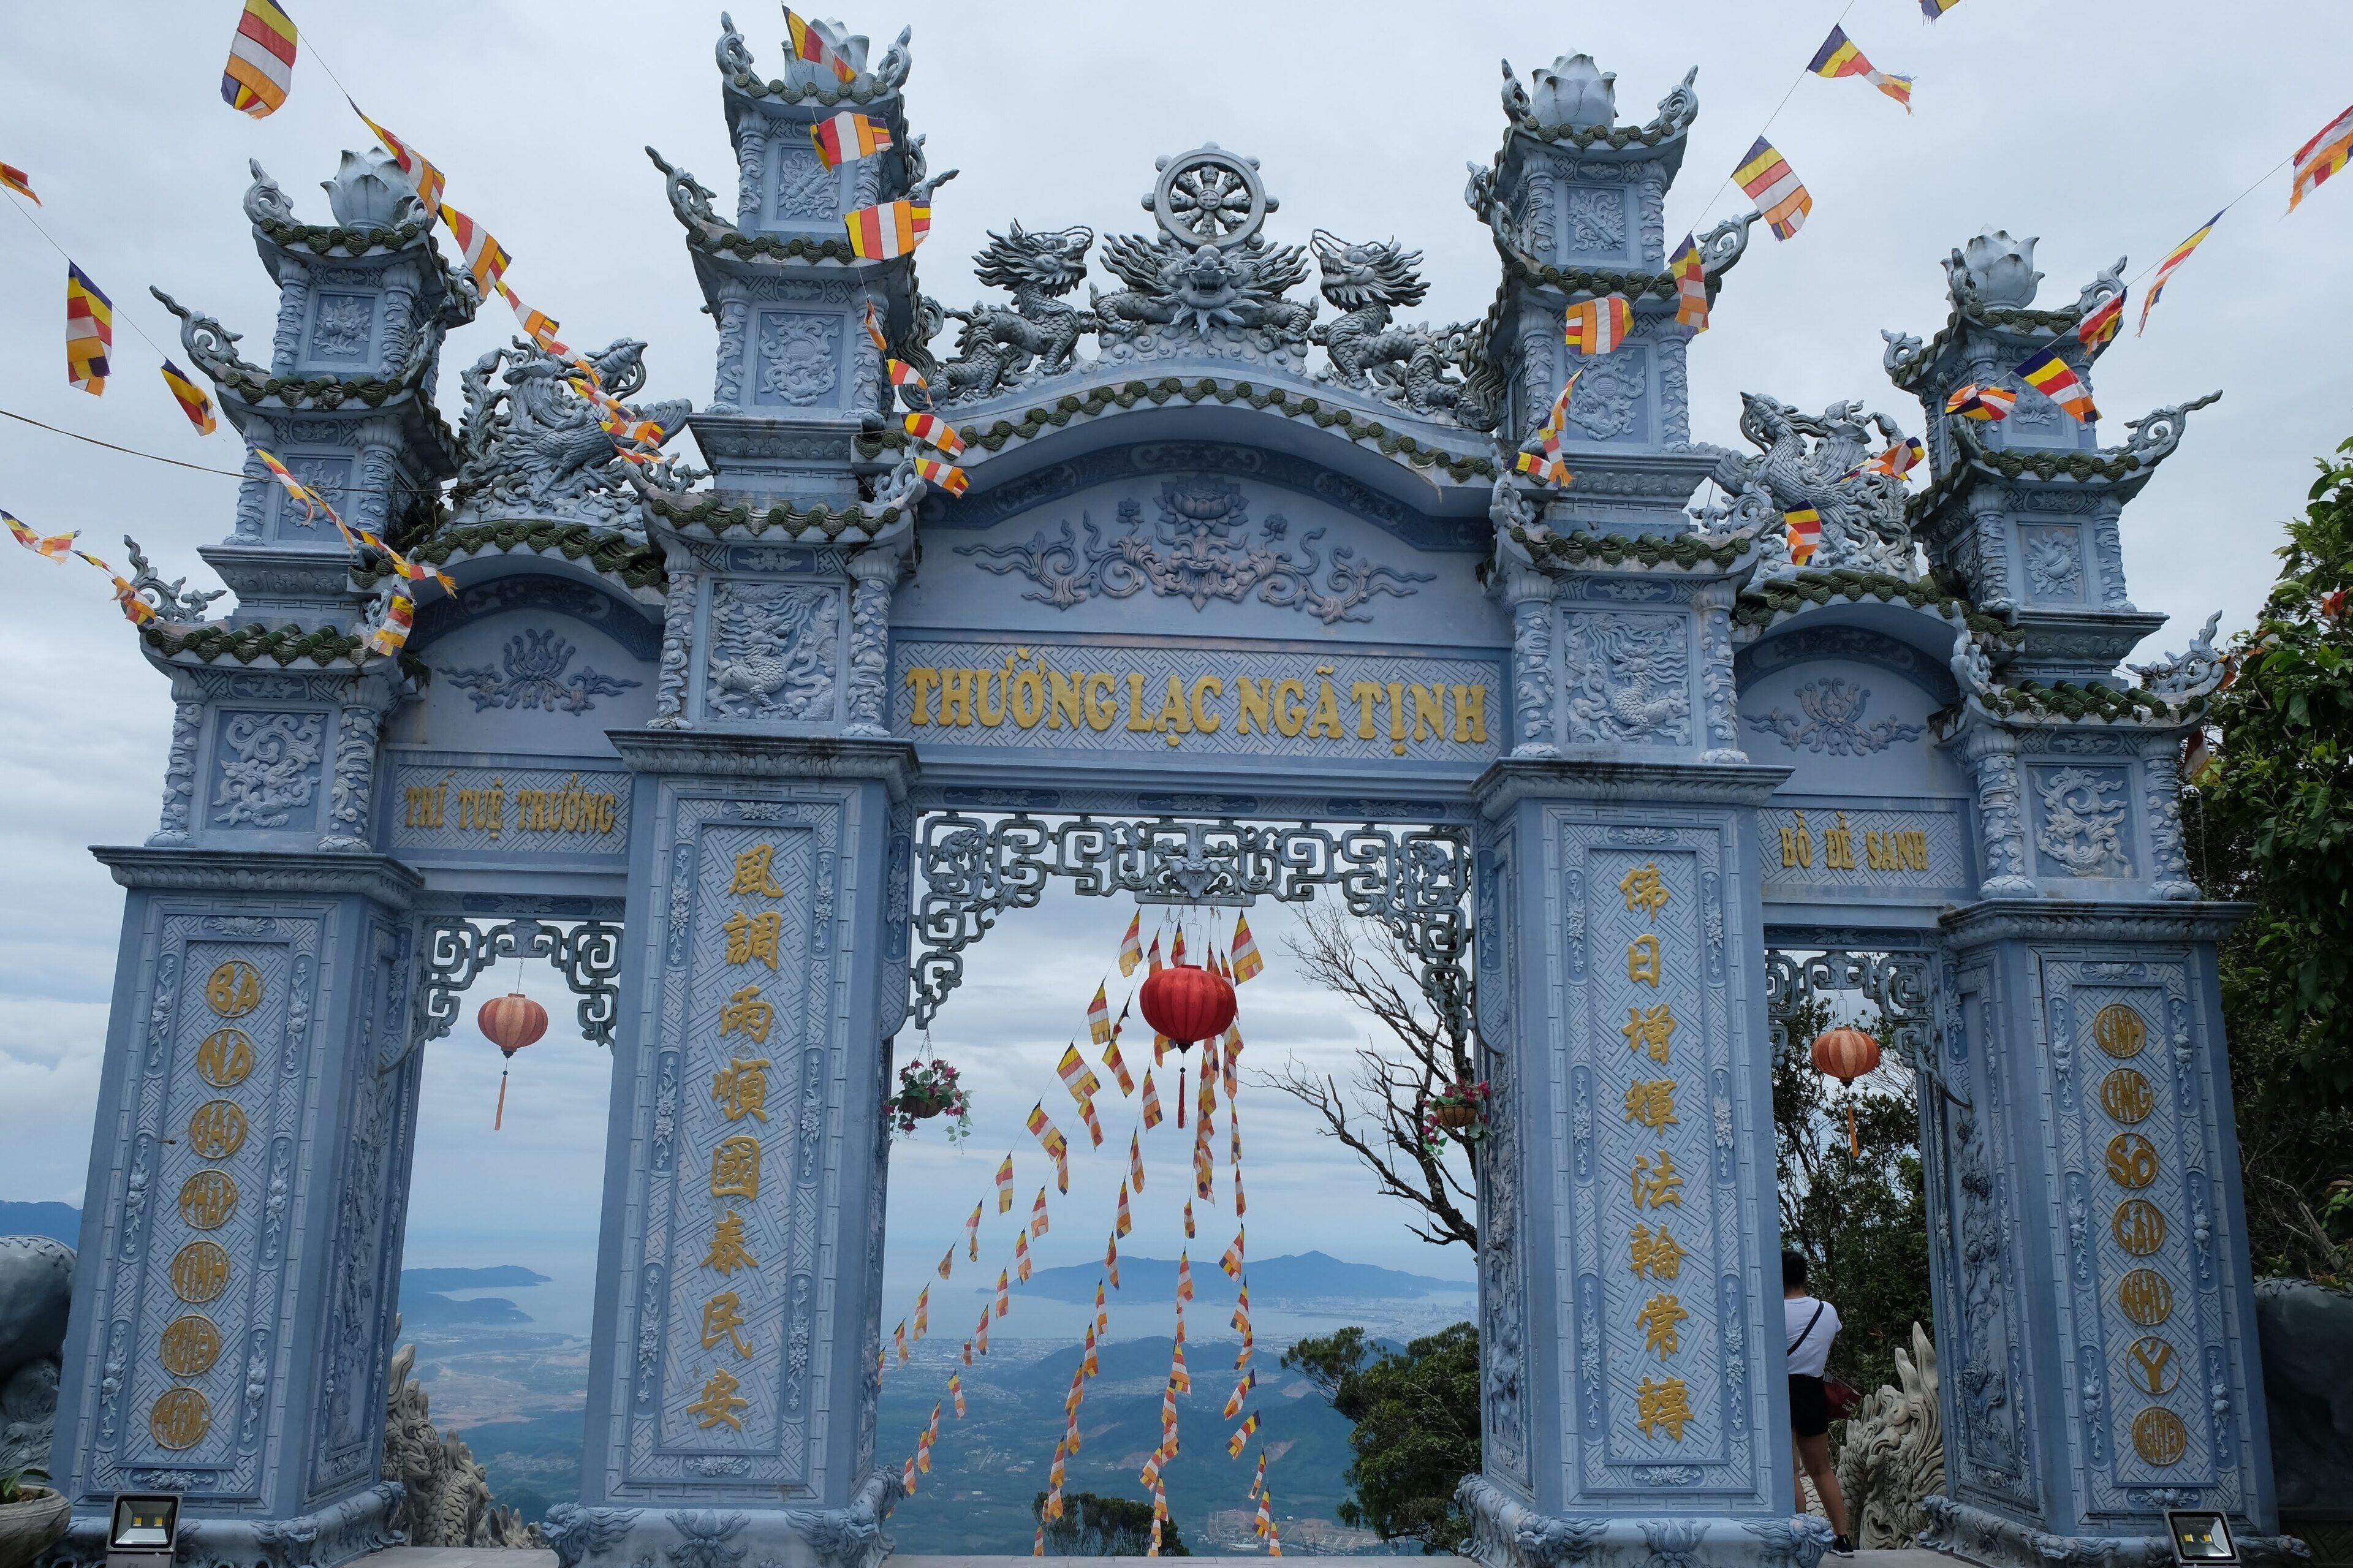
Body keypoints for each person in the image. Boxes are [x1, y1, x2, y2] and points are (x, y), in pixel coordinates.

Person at [1784, 1249, 1854, 1555]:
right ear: (1804, 1276)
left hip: (1780, 1391)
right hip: (1813, 1390)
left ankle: (1798, 1539)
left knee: (1790, 1471)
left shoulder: (1770, 1311)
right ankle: (1843, 1538)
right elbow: (1827, 1343)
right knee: (1822, 1469)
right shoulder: (1827, 1311)